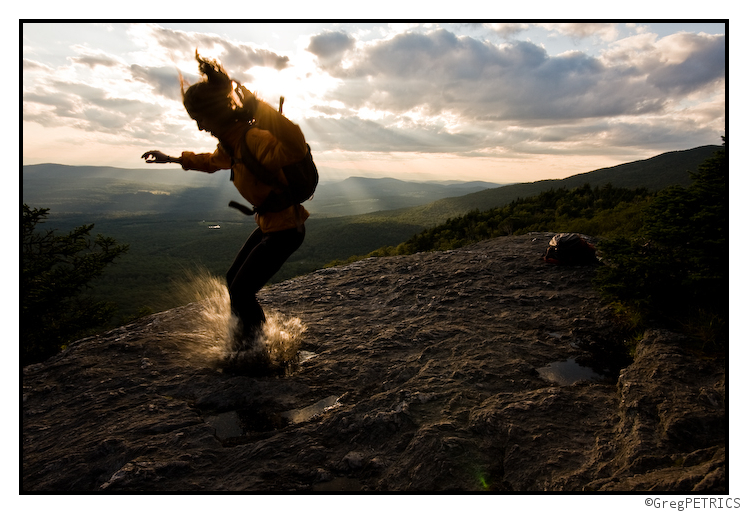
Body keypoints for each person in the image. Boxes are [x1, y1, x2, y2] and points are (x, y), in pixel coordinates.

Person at [142, 52, 309, 348]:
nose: (199, 126)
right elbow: (211, 161)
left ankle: (255, 348)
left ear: (216, 113)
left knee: (242, 289)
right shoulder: (232, 144)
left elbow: (295, 147)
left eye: (200, 119)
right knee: (234, 280)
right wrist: (171, 159)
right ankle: (247, 341)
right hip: (272, 225)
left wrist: (264, 110)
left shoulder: (252, 140)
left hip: (286, 229)